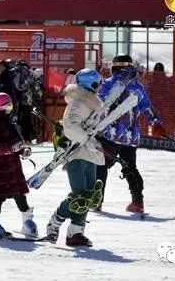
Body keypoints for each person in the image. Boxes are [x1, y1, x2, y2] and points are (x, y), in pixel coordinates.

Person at [96, 54, 165, 213]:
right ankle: (137, 202)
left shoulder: (108, 84)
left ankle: (97, 200)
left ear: (114, 67)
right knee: (130, 167)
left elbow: (99, 104)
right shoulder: (138, 86)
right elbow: (146, 107)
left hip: (109, 135)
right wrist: (156, 123)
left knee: (100, 166)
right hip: (130, 137)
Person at [45, 69, 104, 247]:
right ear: (92, 84)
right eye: (98, 83)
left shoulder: (91, 103)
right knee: (80, 195)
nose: (100, 86)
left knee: (90, 194)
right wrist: (88, 140)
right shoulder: (79, 102)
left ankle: (76, 233)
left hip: (91, 153)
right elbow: (71, 128)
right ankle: (56, 220)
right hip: (77, 154)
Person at [0, 92, 36, 237]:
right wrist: (11, 149)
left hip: (13, 166)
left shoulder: (10, 123)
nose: (11, 108)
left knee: (20, 193)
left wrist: (23, 150)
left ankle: (28, 222)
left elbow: (18, 141)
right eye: (8, 105)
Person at [13, 59, 36, 142]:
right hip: (27, 100)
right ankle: (27, 139)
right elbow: (34, 85)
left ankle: (18, 139)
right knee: (27, 120)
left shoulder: (15, 71)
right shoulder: (30, 72)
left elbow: (17, 85)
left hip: (16, 100)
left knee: (16, 120)